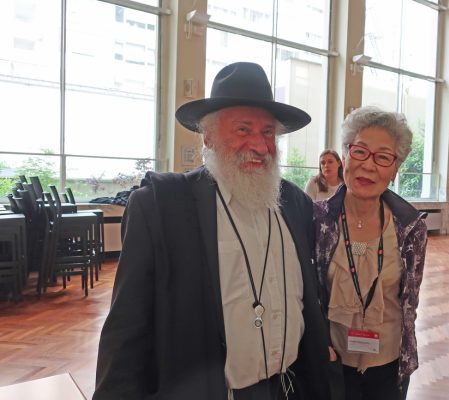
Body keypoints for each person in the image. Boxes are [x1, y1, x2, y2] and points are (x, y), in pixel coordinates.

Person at [93, 62, 332, 400]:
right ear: (208, 135)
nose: (260, 145)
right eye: (243, 129)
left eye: (268, 132)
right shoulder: (162, 208)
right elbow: (126, 328)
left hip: (289, 388)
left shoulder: (296, 204)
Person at [313, 106, 428, 400]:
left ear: (395, 169)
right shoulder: (317, 220)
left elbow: (410, 302)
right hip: (332, 360)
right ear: (345, 156)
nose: (369, 165)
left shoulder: (410, 227)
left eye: (383, 157)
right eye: (360, 151)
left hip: (388, 362)